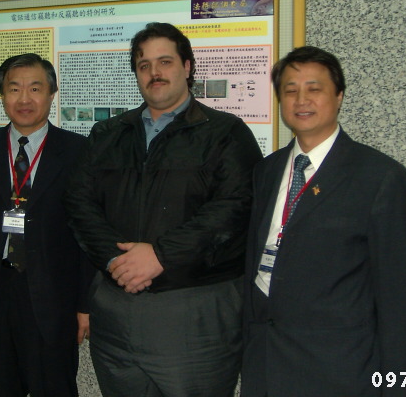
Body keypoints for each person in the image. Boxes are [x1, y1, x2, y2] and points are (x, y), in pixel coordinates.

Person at [65, 22, 263, 397]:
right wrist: (114, 259)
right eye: (144, 65)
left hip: (194, 313)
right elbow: (79, 204)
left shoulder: (225, 132)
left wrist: (160, 255)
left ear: (187, 67)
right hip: (115, 310)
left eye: (165, 61)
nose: (154, 72)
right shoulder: (107, 134)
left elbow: (235, 207)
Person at [241, 46, 406, 397]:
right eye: (290, 90)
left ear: (339, 96)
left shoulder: (380, 177)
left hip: (339, 370)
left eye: (314, 88)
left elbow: (398, 300)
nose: (301, 100)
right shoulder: (267, 170)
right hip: (265, 362)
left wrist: (398, 388)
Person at [0, 53, 93, 397]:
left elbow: (87, 236)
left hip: (55, 296)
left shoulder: (80, 152)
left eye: (35, 88)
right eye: (14, 88)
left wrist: (85, 305)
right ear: (2, 95)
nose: (24, 99)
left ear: (52, 94)